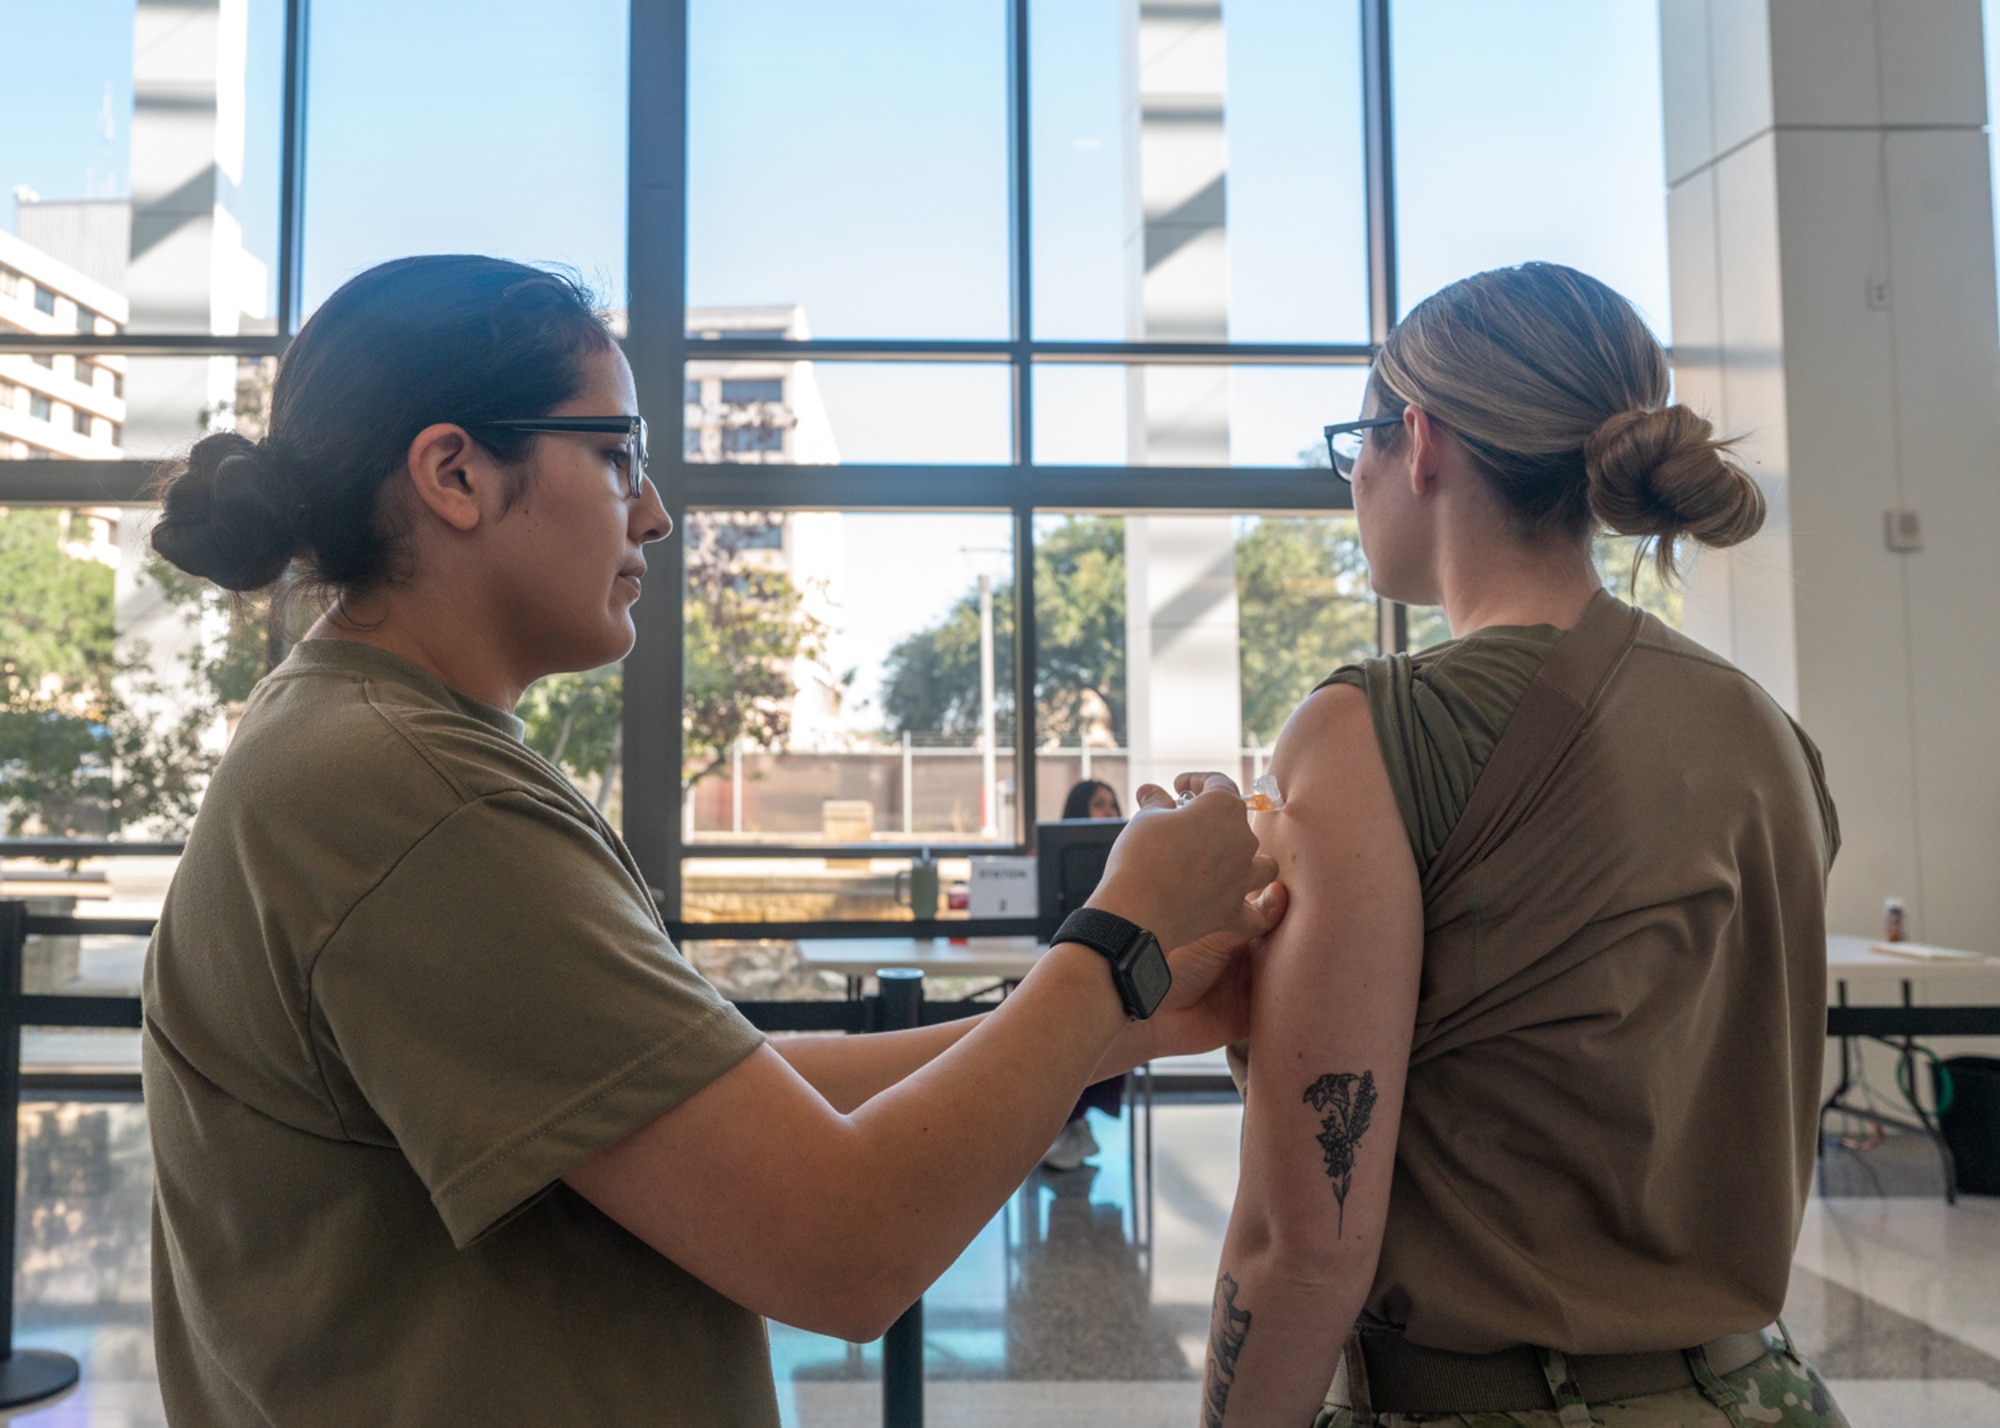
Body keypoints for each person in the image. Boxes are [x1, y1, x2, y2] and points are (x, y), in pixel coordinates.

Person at [139, 255, 1286, 1427]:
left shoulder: (367, 746)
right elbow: (843, 1247)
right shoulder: (418, 795)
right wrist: (1119, 930)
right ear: (455, 473)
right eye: (616, 454)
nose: (655, 513)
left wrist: (1131, 1015)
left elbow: (719, 1102)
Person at [1203, 263, 1844, 1428]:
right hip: (1760, 1393)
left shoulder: (1366, 731)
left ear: (1421, 440)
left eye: (1358, 443)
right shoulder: (1765, 735)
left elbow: (1300, 1251)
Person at [1043, 778, 1129, 1171]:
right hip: (1055, 964)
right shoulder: (1057, 859)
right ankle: (1061, 1123)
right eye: (1099, 804)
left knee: (1112, 1016)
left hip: (1104, 968)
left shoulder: (1127, 860)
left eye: (1113, 805)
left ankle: (1069, 1124)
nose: (1110, 813)